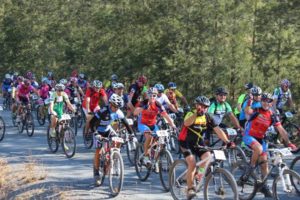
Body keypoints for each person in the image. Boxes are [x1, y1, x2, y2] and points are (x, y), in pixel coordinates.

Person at [178, 95, 235, 199]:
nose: (203, 109)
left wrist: (227, 141)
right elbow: (186, 123)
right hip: (185, 142)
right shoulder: (190, 113)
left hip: (198, 142)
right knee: (192, 163)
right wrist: (196, 113)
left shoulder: (208, 117)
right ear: (196, 106)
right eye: (201, 106)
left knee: (208, 158)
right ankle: (190, 189)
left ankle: (196, 176)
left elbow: (218, 130)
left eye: (205, 107)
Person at [241, 92, 297, 197]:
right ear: (261, 101)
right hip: (249, 135)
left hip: (261, 138)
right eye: (264, 100)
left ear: (271, 103)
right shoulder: (257, 110)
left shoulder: (272, 115)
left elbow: (281, 129)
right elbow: (247, 111)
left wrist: (289, 143)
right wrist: (249, 101)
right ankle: (251, 167)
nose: (266, 103)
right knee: (258, 148)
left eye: (268, 101)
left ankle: (264, 186)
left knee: (264, 164)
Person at [92, 94, 133, 186]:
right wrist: (96, 134)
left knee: (118, 140)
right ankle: (96, 173)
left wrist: (132, 135)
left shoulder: (118, 112)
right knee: (98, 150)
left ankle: (114, 157)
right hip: (98, 130)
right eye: (115, 106)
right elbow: (92, 123)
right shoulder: (103, 111)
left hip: (107, 129)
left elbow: (126, 123)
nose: (117, 109)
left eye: (118, 107)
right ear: (110, 104)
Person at [134, 87, 176, 166]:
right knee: (149, 137)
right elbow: (135, 113)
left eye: (154, 95)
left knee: (160, 139)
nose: (152, 97)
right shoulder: (144, 103)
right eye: (150, 95)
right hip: (143, 124)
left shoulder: (157, 104)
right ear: (147, 96)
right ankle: (146, 157)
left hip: (153, 124)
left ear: (156, 96)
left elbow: (165, 115)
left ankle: (155, 160)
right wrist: (143, 108)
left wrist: (173, 125)